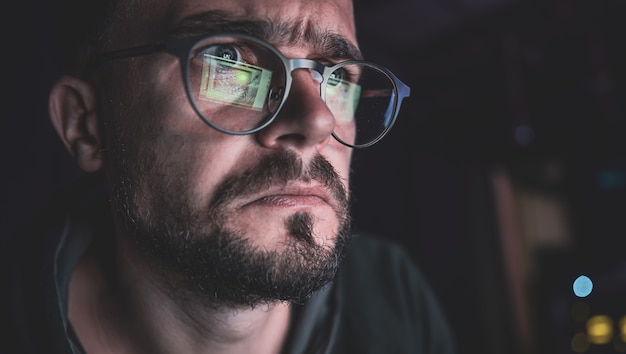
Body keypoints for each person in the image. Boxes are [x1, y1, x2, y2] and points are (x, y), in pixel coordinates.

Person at [1, 0, 457, 353]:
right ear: (88, 123)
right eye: (228, 59)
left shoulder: (393, 297)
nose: (317, 120)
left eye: (335, 77)